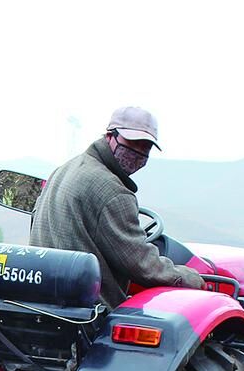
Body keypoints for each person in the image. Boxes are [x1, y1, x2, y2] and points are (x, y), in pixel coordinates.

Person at [30, 105, 204, 306]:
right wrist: (188, 277)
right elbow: (141, 264)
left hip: (46, 299)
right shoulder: (113, 192)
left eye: (145, 146)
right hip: (88, 311)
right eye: (132, 142)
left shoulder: (66, 169)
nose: (137, 151)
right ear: (110, 136)